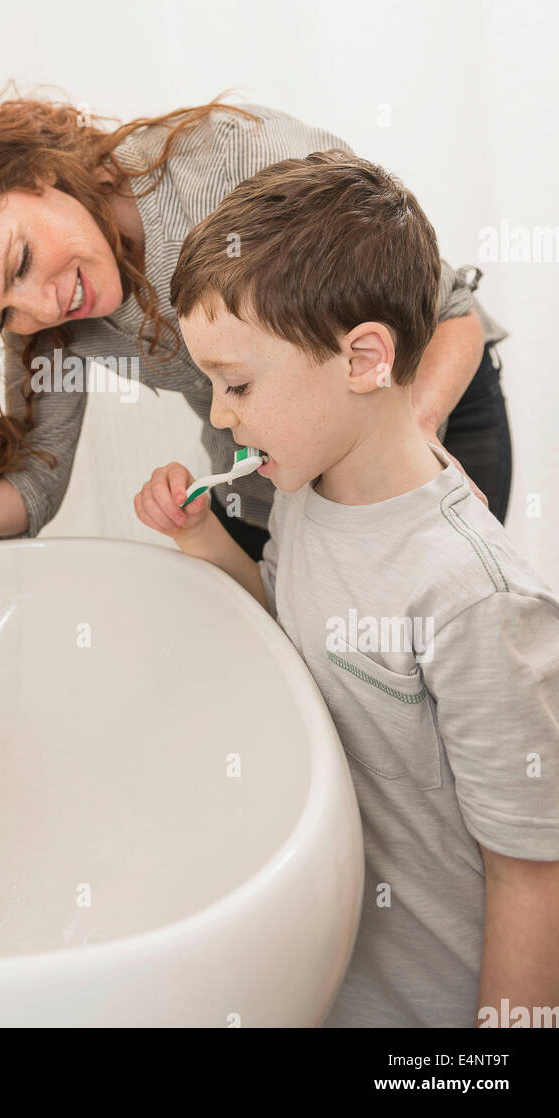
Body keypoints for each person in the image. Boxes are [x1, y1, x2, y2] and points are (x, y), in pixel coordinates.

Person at [133, 149, 559, 1028]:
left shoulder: (471, 598)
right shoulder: (306, 497)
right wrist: (202, 536)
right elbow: (291, 646)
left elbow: (535, 875)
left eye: (237, 383)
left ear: (364, 358)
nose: (217, 416)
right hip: (332, 977)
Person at [0, 87, 510, 562]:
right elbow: (27, 497)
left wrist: (406, 456)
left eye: (20, 262)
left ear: (33, 174)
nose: (41, 308)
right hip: (275, 467)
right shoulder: (52, 330)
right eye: (4, 313)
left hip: (427, 408)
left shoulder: (234, 163)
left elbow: (451, 316)